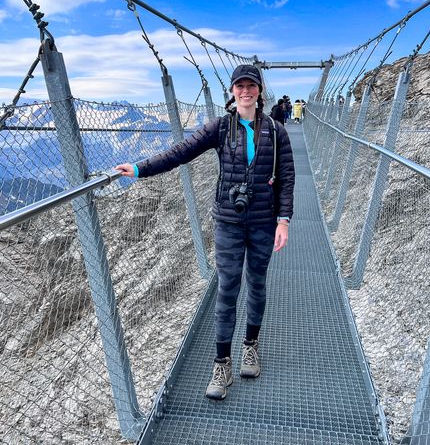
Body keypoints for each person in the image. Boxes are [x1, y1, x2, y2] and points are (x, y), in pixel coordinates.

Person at [115, 64, 295, 401]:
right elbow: (181, 152)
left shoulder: (276, 129)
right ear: (232, 91)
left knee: (256, 283)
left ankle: (251, 346)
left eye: (251, 86)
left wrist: (283, 220)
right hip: (228, 221)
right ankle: (222, 363)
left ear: (259, 91)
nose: (245, 91)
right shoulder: (219, 128)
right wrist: (140, 169)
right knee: (227, 288)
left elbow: (287, 177)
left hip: (263, 221)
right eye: (240, 86)